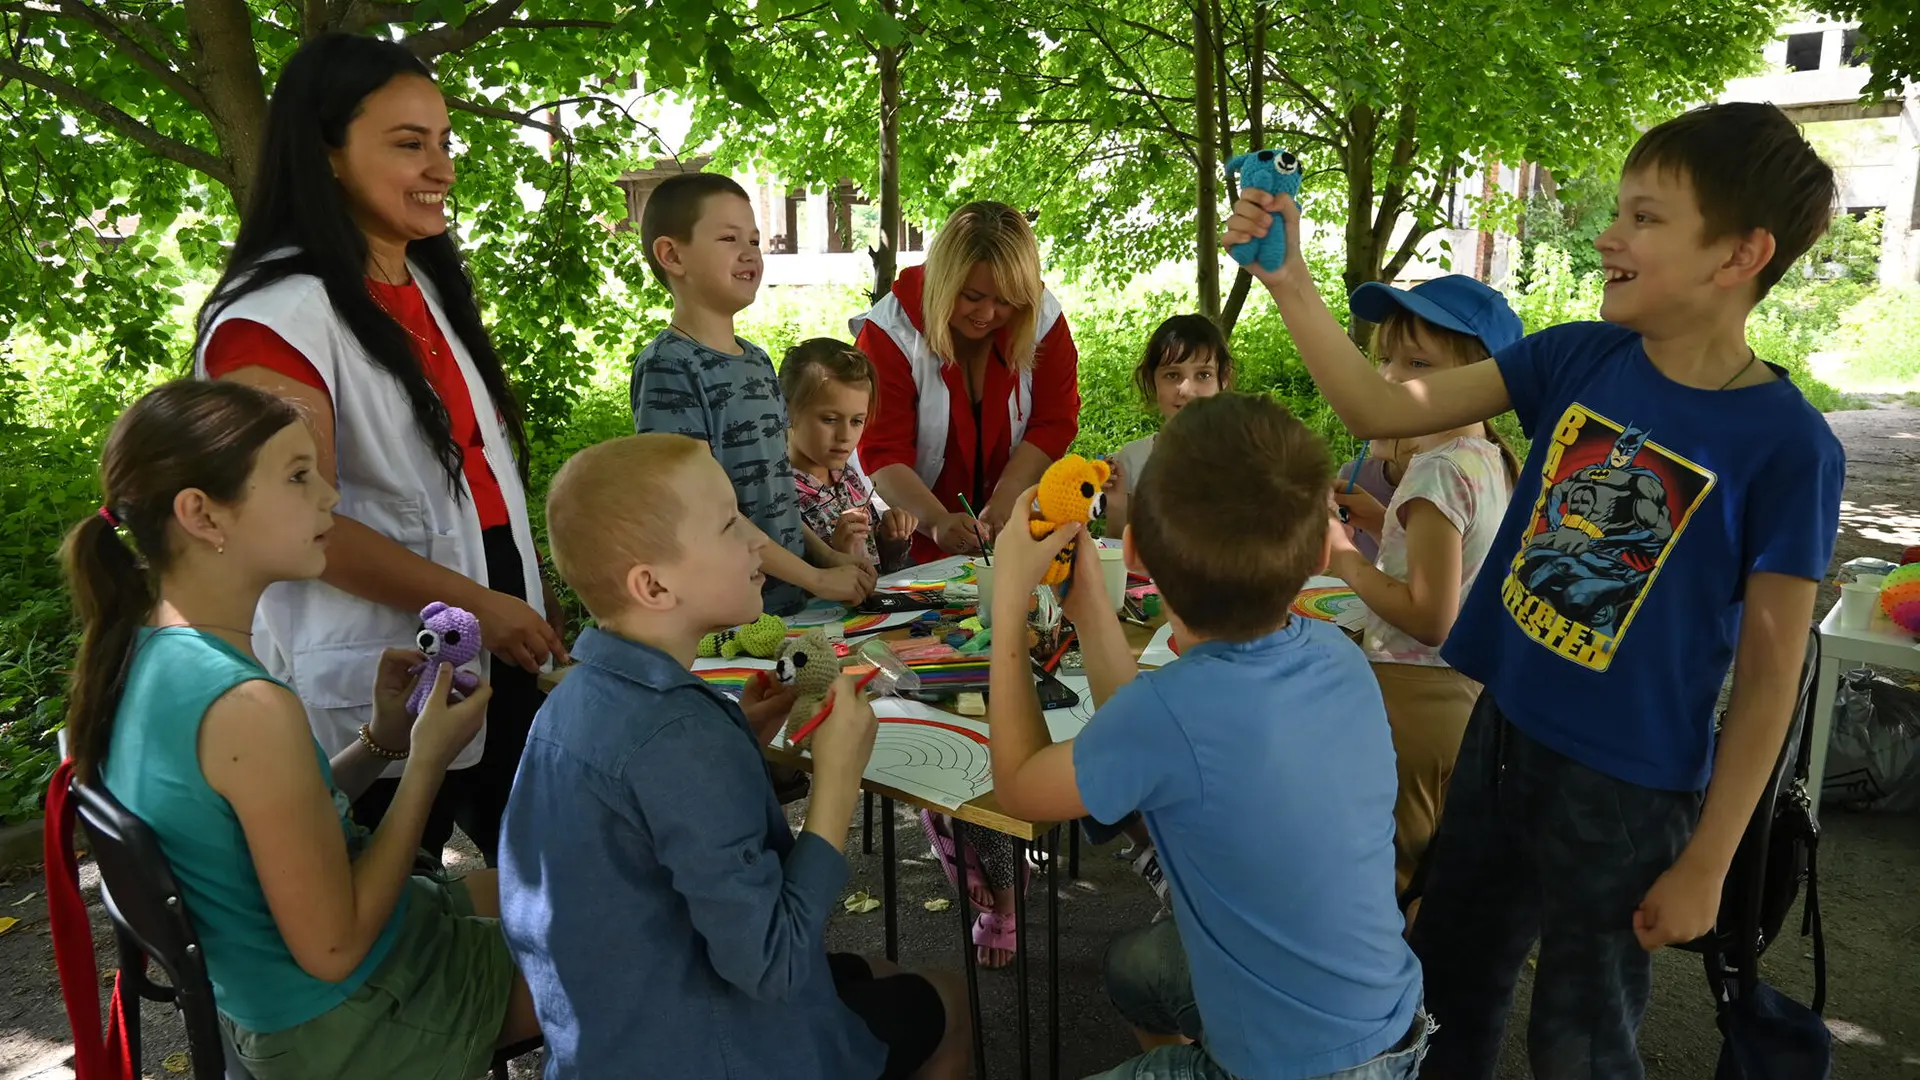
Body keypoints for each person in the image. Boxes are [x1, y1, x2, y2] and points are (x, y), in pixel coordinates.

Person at [1224, 101, 1845, 1079]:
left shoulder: (1788, 446)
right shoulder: (1577, 357)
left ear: (1739, 256)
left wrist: (1710, 861)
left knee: (1581, 1035)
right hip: (1502, 737)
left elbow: (1772, 679)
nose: (1608, 234)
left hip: (1629, 793)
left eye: (1645, 217)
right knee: (1442, 989)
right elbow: (1382, 403)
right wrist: (1287, 277)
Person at [62, 379, 538, 1079]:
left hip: (297, 999)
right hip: (353, 1022)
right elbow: (335, 947)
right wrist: (430, 762)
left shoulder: (148, 655)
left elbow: (264, 826)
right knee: (636, 924)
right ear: (202, 514)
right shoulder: (246, 705)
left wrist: (384, 739)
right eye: (296, 476)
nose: (329, 498)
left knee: (563, 879)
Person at [192, 32, 565, 868]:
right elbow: (297, 526)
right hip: (380, 662)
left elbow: (477, 479)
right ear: (324, 155)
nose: (441, 168)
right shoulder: (275, 321)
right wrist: (483, 600)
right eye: (408, 144)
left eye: (443, 143)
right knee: (390, 896)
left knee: (545, 873)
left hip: (492, 624)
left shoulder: (425, 283)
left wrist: (523, 590)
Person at [497, 434, 970, 1080]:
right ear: (654, 585)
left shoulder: (573, 702)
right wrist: (836, 785)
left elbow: (652, 806)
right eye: (728, 523)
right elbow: (772, 964)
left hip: (609, 1037)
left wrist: (738, 729)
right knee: (946, 995)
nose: (756, 540)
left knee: (881, 973)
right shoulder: (678, 735)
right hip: (710, 1047)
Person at [988, 392, 1431, 1080]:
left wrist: (1009, 601)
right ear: (1319, 549)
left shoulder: (1172, 712)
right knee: (1137, 968)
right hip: (1392, 1027)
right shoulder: (1337, 654)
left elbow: (1018, 785)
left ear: (1132, 550)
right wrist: (1089, 610)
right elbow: (1149, 723)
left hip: (1301, 1070)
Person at [1325, 276, 1521, 903]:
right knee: (1425, 865)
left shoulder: (1434, 472)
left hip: (1409, 695)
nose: (1388, 377)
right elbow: (1459, 561)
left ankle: (1391, 994)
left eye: (1417, 364)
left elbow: (1429, 616)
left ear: (1482, 379)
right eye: (1385, 358)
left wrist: (1341, 559)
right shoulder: (1485, 456)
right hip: (1460, 693)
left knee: (1389, 874)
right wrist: (1379, 522)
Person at [632, 173, 876, 616]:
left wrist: (827, 558)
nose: (750, 254)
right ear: (672, 255)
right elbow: (705, 510)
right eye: (728, 238)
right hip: (728, 613)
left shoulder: (758, 361)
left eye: (755, 240)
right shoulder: (669, 366)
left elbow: (775, 495)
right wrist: (817, 577)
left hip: (792, 603)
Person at [852, 201, 1081, 562]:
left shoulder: (1043, 318)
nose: (987, 314)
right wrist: (936, 521)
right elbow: (882, 450)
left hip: (1016, 525)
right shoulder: (889, 333)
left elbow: (1054, 420)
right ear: (944, 282)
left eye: (1005, 301)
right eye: (972, 297)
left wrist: (1008, 498)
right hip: (913, 535)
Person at [780, 337, 919, 574]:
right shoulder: (779, 494)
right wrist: (837, 555)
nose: (845, 436)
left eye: (856, 421)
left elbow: (883, 566)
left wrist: (890, 537)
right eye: (830, 420)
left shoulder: (847, 477)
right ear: (785, 410)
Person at [1104, 314, 1233, 537]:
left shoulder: (1248, 457)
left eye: (1203, 375)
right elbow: (1118, 552)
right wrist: (1116, 504)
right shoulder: (1133, 461)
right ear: (1152, 382)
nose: (1186, 390)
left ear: (1223, 378)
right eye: (1172, 375)